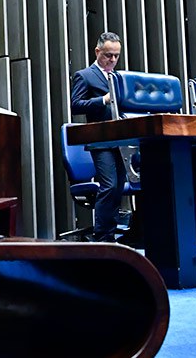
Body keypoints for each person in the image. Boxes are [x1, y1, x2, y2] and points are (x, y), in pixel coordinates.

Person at [70, 32, 125, 242]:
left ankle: (112, 234)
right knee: (109, 185)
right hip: (100, 140)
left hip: (120, 139)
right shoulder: (85, 75)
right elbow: (76, 105)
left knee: (118, 186)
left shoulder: (119, 78)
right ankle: (103, 237)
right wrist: (102, 100)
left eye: (116, 56)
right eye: (108, 55)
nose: (112, 60)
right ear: (97, 51)